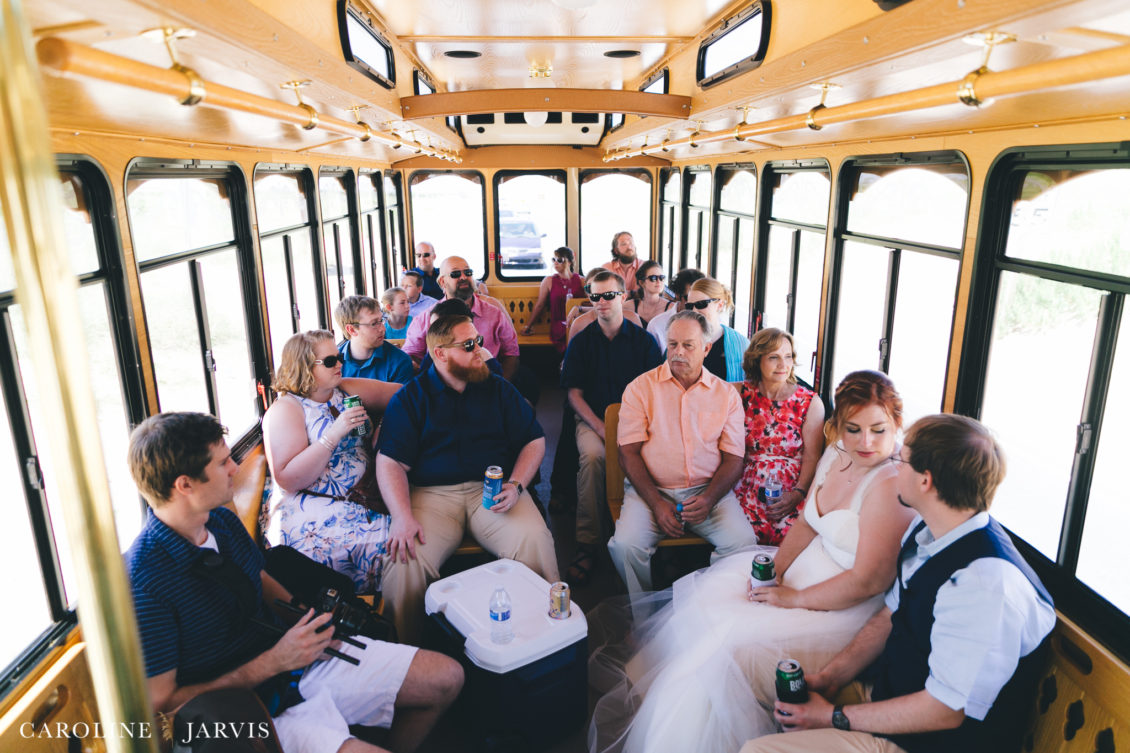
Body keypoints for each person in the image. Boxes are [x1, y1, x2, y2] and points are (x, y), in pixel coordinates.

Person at [590, 370, 915, 753]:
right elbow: (809, 523)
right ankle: (661, 711)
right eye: (853, 429)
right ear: (838, 427)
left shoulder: (890, 483)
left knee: (726, 648)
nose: (866, 442)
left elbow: (868, 581)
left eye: (878, 430)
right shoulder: (837, 455)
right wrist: (775, 571)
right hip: (803, 572)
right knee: (709, 599)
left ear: (896, 425)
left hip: (844, 607)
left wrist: (791, 598)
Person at [124, 412, 463, 753]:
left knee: (446, 679)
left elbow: (260, 579)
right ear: (185, 485)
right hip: (243, 711)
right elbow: (162, 706)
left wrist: (308, 622)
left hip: (293, 663)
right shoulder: (145, 582)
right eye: (223, 463)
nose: (235, 469)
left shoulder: (222, 522)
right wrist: (271, 662)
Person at [741, 413, 1056, 753]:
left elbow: (945, 710)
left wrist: (832, 717)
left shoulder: (984, 584)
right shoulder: (928, 531)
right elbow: (890, 615)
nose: (892, 466)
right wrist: (831, 678)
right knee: (747, 665)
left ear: (925, 481)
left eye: (900, 460)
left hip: (927, 742)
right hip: (886, 693)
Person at [376, 314, 559, 642]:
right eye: (469, 345)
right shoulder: (411, 398)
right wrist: (402, 518)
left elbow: (533, 440)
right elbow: (390, 463)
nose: (481, 350)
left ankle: (543, 639)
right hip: (431, 496)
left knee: (535, 540)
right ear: (441, 354)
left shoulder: (498, 389)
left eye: (480, 341)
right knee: (403, 566)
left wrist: (517, 485)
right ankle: (407, 656)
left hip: (490, 491)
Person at [606, 310, 759, 595]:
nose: (678, 352)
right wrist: (656, 503)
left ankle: (709, 603)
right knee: (625, 546)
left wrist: (710, 498)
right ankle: (643, 613)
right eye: (672, 344)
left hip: (707, 491)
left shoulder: (726, 395)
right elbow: (628, 454)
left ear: (706, 348)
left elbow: (733, 458)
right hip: (651, 490)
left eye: (688, 345)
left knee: (742, 543)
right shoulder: (640, 389)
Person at [264, 330, 402, 593]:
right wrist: (334, 434)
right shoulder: (287, 409)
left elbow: (406, 396)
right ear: (304, 367)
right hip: (317, 501)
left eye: (339, 357)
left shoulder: (343, 389)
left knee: (411, 537)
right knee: (397, 547)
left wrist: (383, 426)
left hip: (367, 491)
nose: (339, 363)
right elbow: (289, 479)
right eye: (329, 361)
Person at [560, 269, 664, 585]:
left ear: (623, 297)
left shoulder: (644, 342)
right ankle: (588, 542)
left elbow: (654, 391)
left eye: (609, 295)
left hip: (636, 420)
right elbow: (574, 395)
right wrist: (602, 429)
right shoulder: (581, 342)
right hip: (593, 419)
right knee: (593, 459)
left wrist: (632, 428)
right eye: (595, 296)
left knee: (657, 456)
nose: (602, 303)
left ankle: (649, 531)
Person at [733, 328, 826, 545]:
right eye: (773, 357)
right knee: (740, 536)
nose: (783, 365)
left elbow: (812, 456)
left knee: (792, 537)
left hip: (790, 489)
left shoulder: (810, 402)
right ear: (757, 360)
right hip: (745, 484)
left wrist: (798, 494)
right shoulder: (739, 393)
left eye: (788, 357)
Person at [400, 256, 521, 381]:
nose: (463, 277)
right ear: (442, 282)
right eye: (455, 274)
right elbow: (410, 356)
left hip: (486, 381)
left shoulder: (494, 313)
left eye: (468, 272)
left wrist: (499, 387)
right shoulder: (425, 319)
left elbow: (511, 353)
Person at [334, 295, 413, 384]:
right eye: (374, 323)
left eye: (382, 320)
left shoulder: (399, 361)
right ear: (352, 330)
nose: (383, 329)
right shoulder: (333, 363)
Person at [521, 246, 585, 354]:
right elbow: (540, 305)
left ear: (569, 262)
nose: (555, 263)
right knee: (571, 334)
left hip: (577, 321)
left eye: (559, 260)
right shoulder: (549, 281)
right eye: (554, 260)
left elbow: (590, 302)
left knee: (579, 331)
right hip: (559, 324)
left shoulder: (581, 280)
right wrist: (528, 326)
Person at [685, 277, 749, 381]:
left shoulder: (741, 345)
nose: (695, 311)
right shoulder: (679, 339)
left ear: (719, 305)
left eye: (701, 304)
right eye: (690, 306)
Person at [646, 268, 705, 349]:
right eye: (688, 298)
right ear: (677, 295)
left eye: (701, 300)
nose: (695, 306)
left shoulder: (712, 324)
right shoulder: (657, 326)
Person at [624, 260, 674, 327]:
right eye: (653, 278)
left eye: (661, 278)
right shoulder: (629, 306)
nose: (658, 281)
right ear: (642, 282)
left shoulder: (671, 308)